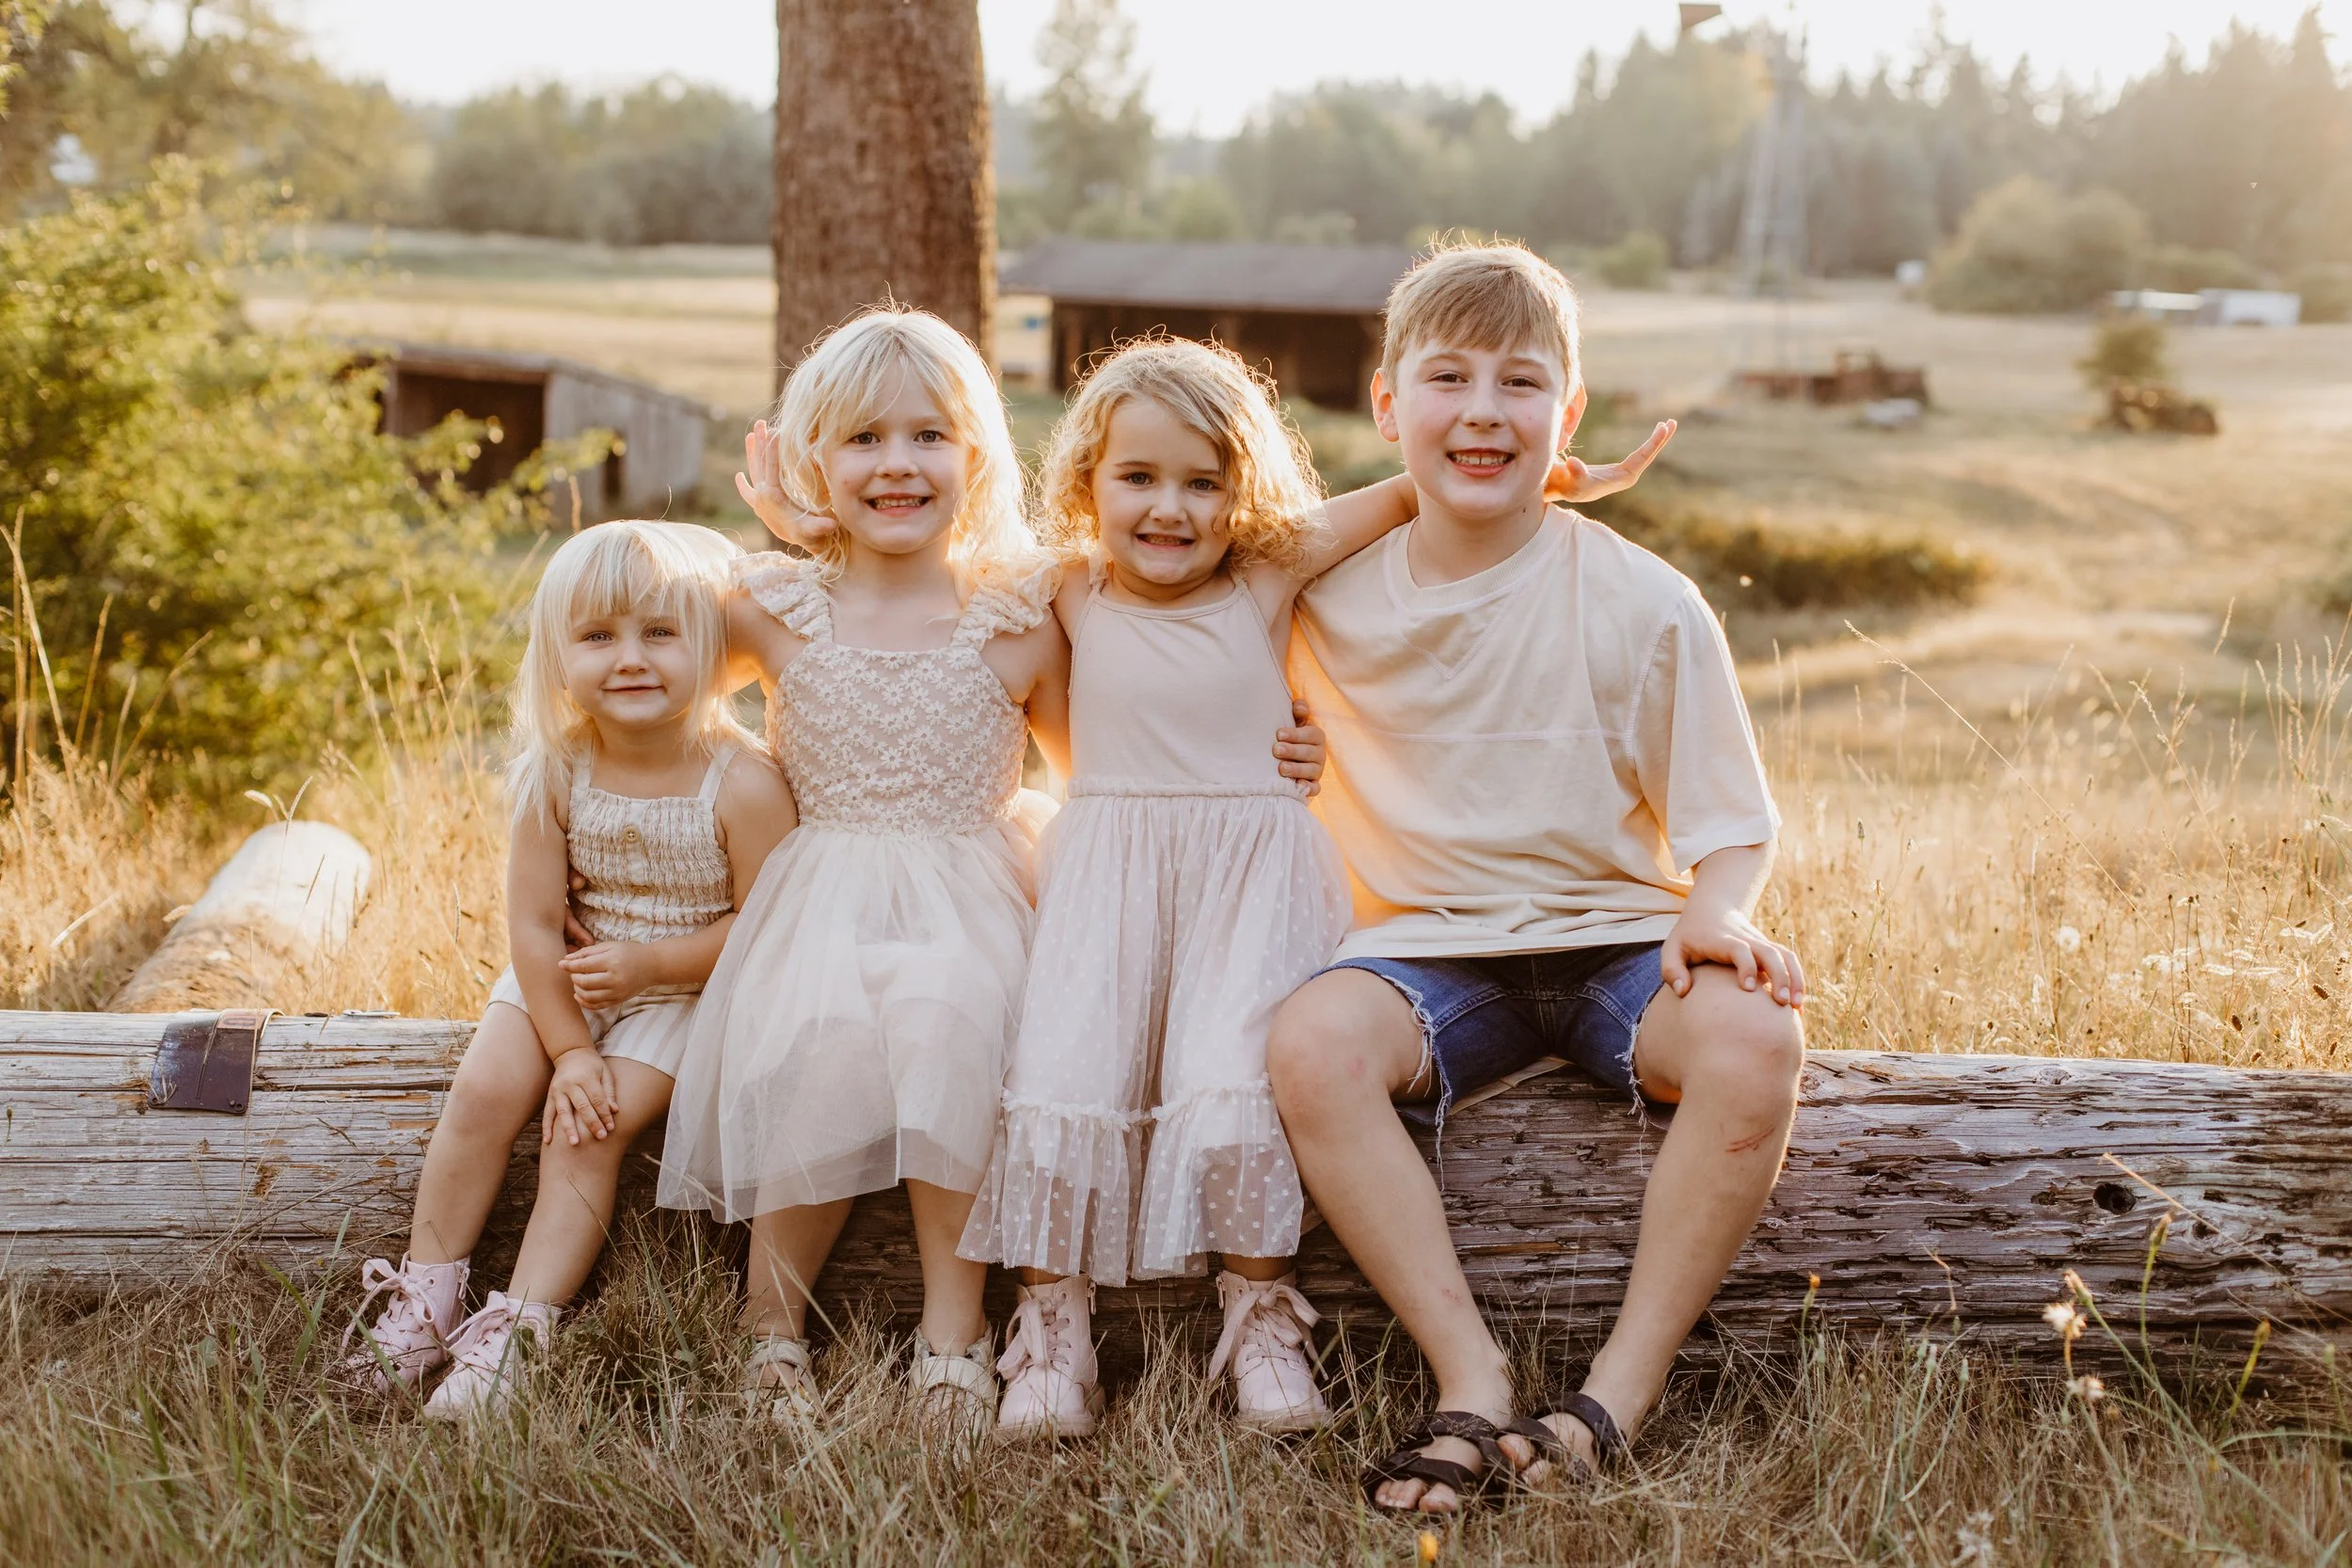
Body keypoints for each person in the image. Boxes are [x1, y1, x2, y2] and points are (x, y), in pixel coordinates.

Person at [953, 337, 1675, 1441]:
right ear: (1086, 480)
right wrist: (808, 519)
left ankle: (1260, 1320)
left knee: (1235, 1075)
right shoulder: (1065, 590)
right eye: (1138, 478)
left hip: (1251, 880)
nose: (1170, 508)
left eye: (1205, 482)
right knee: (1066, 1069)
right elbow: (933, 584)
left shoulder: (1265, 576)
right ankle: (1051, 1327)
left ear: (1244, 493)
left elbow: (1402, 492)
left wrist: (1546, 473)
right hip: (1106, 876)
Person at [661, 308, 1327, 1437]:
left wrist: (1271, 740)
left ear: (975, 455)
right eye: (863, 439)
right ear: (818, 455)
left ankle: (956, 1335)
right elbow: (663, 688)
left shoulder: (1017, 609)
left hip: (969, 886)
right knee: (817, 1039)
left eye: (928, 436)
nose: (897, 464)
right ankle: (769, 1335)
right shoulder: (772, 606)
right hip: (819, 893)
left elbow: (1099, 761)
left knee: (954, 1017)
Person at [1263, 242, 1807, 1513]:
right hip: (1419, 948)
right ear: (1386, 401)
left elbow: (1732, 820)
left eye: (1521, 383)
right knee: (1310, 1043)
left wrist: (1718, 908)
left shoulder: (1644, 601)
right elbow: (1181, 566)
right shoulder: (1319, 595)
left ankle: (1619, 1388)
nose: (1482, 410)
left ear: (1568, 412)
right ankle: (1470, 1375)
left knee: (1756, 1038)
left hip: (1616, 938)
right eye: (1444, 379)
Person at [343, 520, 796, 1417]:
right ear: (558, 654)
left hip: (683, 990)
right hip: (559, 977)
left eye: (660, 631)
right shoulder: (554, 771)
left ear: (716, 643)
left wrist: (650, 964)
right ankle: (426, 1292)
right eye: (598, 636)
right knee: (481, 1094)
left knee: (584, 1132)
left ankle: (519, 1326)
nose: (629, 658)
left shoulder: (743, 783)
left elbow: (768, 927)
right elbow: (533, 924)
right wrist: (570, 1048)